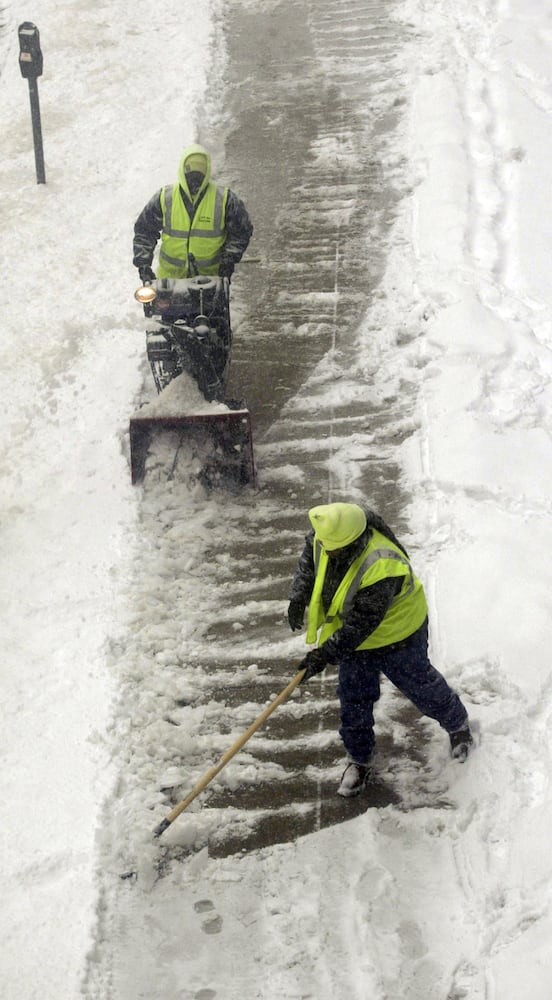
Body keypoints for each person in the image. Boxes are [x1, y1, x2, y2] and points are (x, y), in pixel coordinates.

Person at [287, 502, 473, 797]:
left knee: (420, 685)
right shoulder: (327, 534)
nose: (328, 551)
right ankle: (359, 759)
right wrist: (298, 596)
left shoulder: (381, 564)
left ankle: (458, 725)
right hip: (357, 637)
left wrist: (322, 656)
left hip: (398, 634)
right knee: (354, 698)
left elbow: (360, 626)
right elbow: (310, 559)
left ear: (353, 542)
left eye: (334, 549)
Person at [133, 143, 253, 282]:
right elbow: (144, 230)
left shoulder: (224, 199)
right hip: (169, 282)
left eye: (200, 169)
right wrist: (143, 265)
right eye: (190, 168)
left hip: (210, 282)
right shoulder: (165, 198)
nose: (195, 175)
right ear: (182, 169)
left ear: (207, 170)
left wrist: (228, 260)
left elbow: (241, 231)